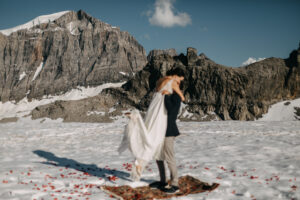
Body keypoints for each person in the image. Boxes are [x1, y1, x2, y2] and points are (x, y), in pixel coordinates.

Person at [118, 68, 185, 187]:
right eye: (178, 80)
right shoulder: (167, 92)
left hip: (169, 131)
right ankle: (163, 181)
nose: (177, 83)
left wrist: (167, 97)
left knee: (169, 157)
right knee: (158, 157)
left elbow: (171, 111)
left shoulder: (175, 97)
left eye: (179, 83)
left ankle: (174, 184)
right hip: (160, 129)